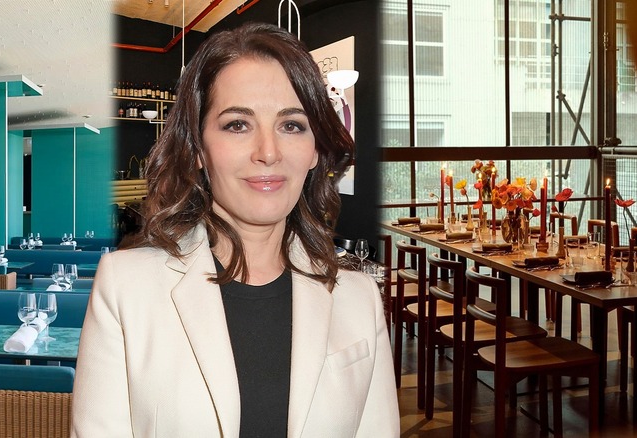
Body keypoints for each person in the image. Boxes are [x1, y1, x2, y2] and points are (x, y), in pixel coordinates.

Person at [71, 22, 399, 437]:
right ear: (198, 151)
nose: (268, 152)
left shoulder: (360, 296)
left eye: (292, 125)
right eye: (237, 125)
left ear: (315, 150)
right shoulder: (125, 287)